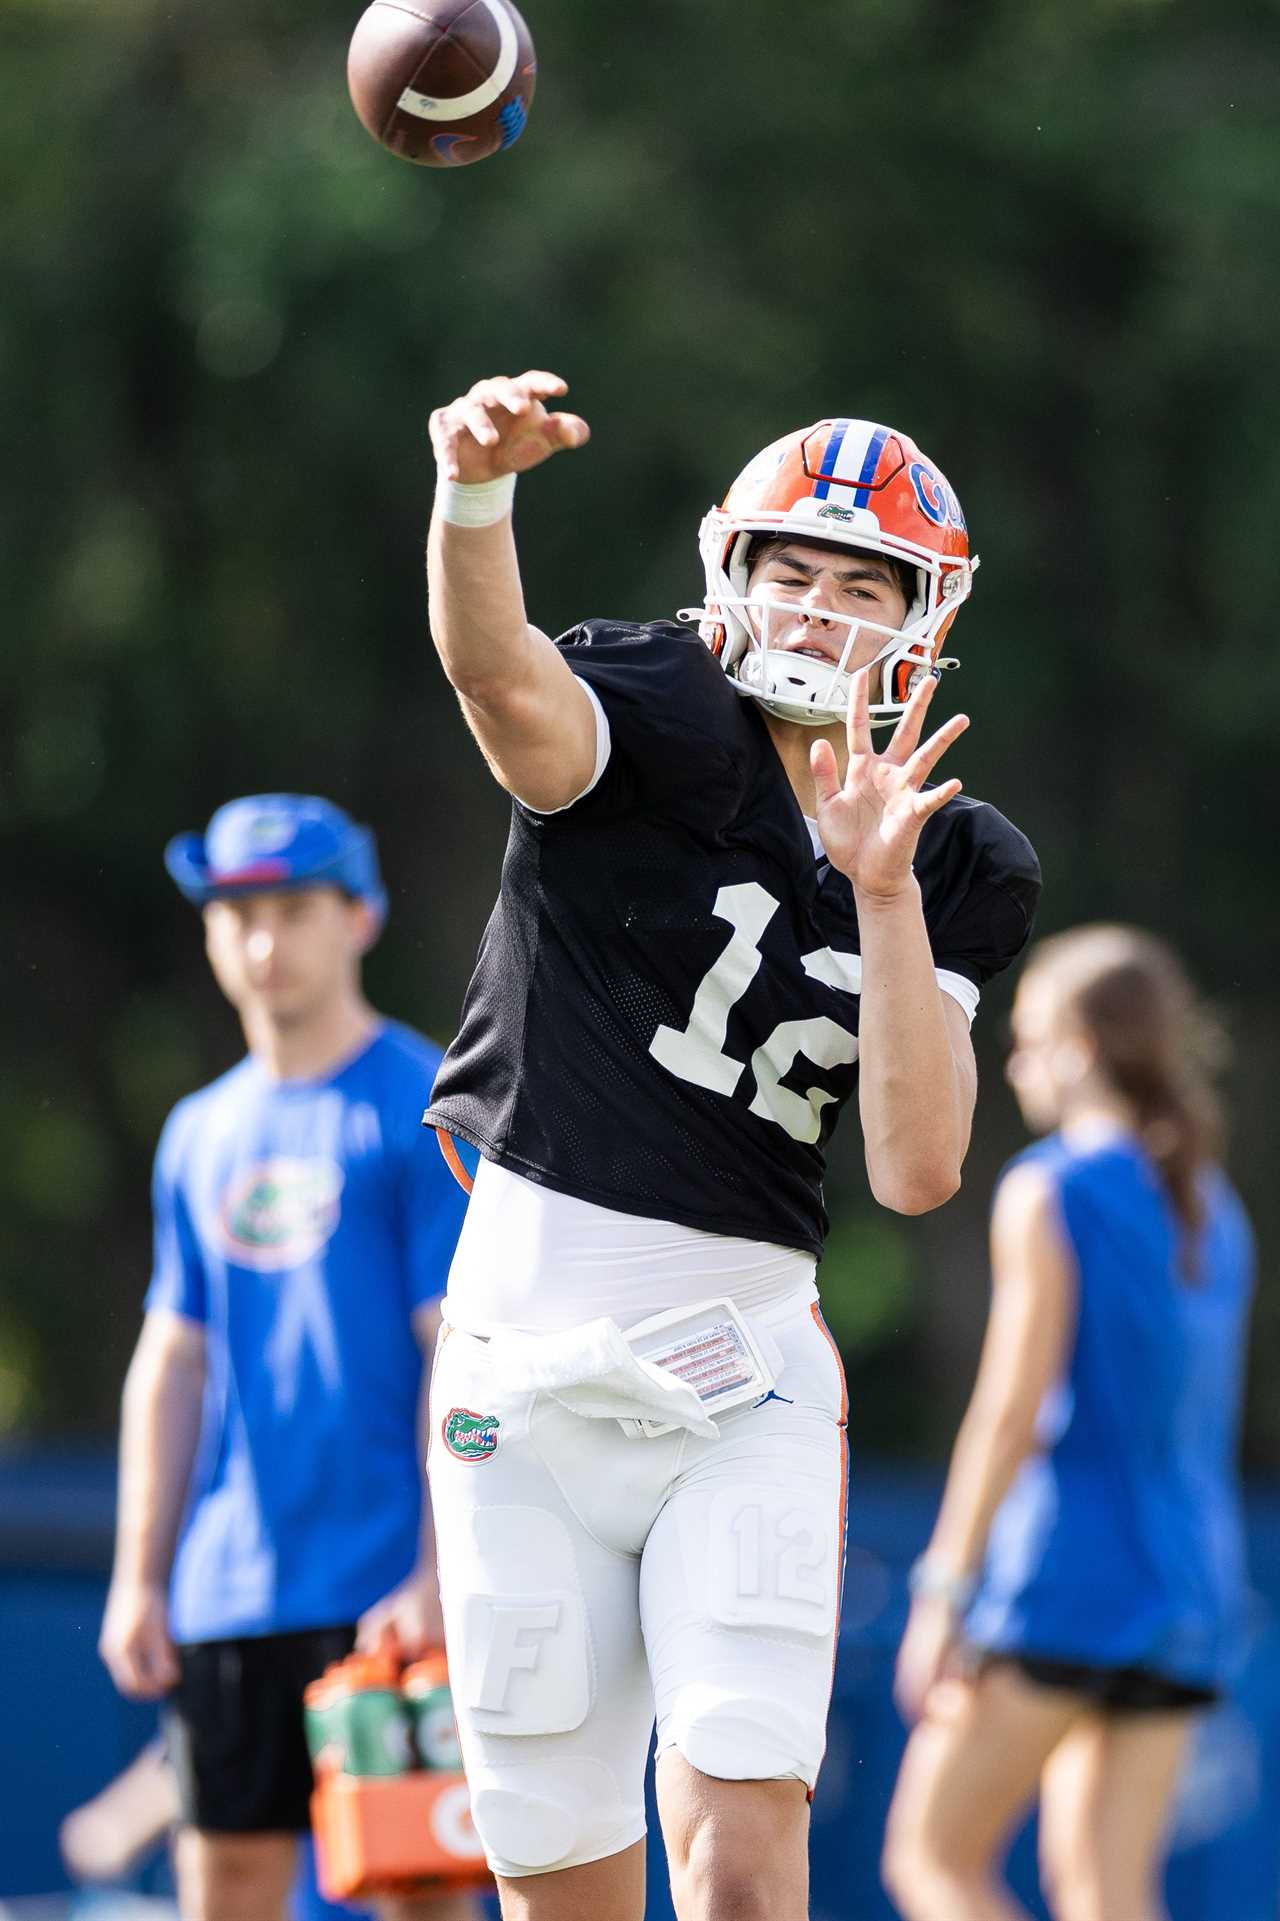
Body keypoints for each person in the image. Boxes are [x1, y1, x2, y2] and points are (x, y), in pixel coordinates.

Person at [418, 371, 1041, 1921]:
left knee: (744, 1860)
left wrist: (882, 895)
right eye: (792, 572)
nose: (820, 614)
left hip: (743, 1368)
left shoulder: (955, 852)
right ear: (731, 575)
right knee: (557, 1874)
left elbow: (914, 1167)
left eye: (860, 586)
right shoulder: (646, 705)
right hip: (522, 1355)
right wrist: (472, 497)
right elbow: (499, 687)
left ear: (924, 619)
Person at [98, 793, 476, 1921]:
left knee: (418, 1891)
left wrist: (438, 1571)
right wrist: (141, 1576)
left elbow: (458, 1352)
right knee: (229, 1893)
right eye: (236, 913)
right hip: (229, 1593)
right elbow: (172, 1360)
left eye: (295, 909)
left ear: (359, 916)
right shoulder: (196, 1131)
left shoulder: (424, 1101)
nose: (264, 942)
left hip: (384, 1597)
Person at [883, 925, 1254, 1921]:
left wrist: (942, 1589)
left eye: (1027, 1035)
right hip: (1189, 1588)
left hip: (1065, 1583)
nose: (1010, 1062)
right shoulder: (1213, 1209)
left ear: (1078, 1049)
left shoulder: (1048, 1187)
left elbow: (1007, 1411)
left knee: (929, 1858)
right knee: (1106, 1893)